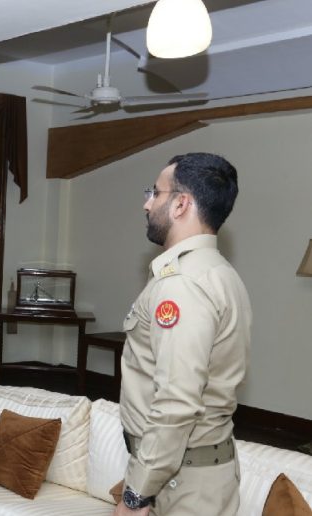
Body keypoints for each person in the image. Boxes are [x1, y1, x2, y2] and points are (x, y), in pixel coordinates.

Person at [115, 153, 252, 516]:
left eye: (154, 193)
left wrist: (136, 494)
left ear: (181, 204)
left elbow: (176, 402)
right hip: (194, 473)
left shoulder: (182, 285)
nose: (147, 204)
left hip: (179, 483)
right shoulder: (220, 273)